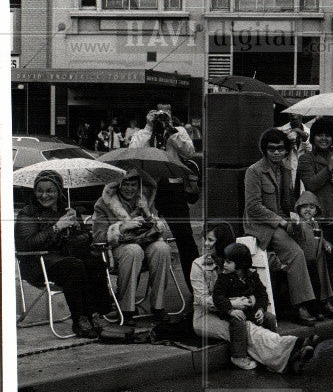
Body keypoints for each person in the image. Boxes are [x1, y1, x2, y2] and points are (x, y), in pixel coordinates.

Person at [190, 222, 313, 374]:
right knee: (248, 330)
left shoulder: (236, 261)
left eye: (210, 240)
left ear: (221, 243)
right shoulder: (199, 265)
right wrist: (233, 303)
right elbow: (202, 300)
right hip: (207, 316)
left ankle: (284, 357)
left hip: (236, 312)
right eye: (205, 239)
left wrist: (252, 301)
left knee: (263, 320)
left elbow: (255, 288)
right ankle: (289, 345)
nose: (206, 244)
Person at [14, 170, 112, 338]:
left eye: (50, 190)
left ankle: (98, 313)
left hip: (65, 258)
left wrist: (77, 225)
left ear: (59, 191)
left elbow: (84, 240)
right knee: (74, 266)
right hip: (38, 263)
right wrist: (57, 227)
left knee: (93, 263)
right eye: (40, 190)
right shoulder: (28, 213)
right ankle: (80, 319)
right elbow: (26, 244)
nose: (44, 195)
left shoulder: (66, 210)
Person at [243, 128, 320, 324]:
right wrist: (282, 222)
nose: (276, 152)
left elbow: (287, 203)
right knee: (295, 252)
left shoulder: (285, 171)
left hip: (282, 221)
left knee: (311, 243)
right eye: (271, 149)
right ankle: (299, 307)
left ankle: (317, 300)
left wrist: (296, 219)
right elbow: (253, 208)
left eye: (280, 149)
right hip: (262, 226)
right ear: (265, 150)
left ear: (286, 150)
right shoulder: (254, 171)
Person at [91, 168, 173, 325]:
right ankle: (126, 309)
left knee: (162, 248)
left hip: (145, 244)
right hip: (117, 250)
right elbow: (97, 237)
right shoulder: (103, 204)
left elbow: (163, 232)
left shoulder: (145, 200)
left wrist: (148, 213)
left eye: (133, 184)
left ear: (139, 185)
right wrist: (121, 227)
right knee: (132, 250)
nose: (129, 189)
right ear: (118, 186)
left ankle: (158, 306)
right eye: (125, 184)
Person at [131, 108, 199, 289]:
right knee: (138, 236)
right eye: (157, 113)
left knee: (185, 239)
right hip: (148, 186)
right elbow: (134, 153)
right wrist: (148, 127)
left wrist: (170, 130)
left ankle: (196, 291)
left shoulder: (179, 131)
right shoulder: (142, 133)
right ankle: (128, 298)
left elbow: (189, 152)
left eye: (165, 112)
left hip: (173, 187)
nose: (161, 116)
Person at [295, 116, 333, 295]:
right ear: (313, 137)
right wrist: (329, 169)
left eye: (328, 135)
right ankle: (322, 301)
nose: (324, 138)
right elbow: (311, 184)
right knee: (320, 263)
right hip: (318, 217)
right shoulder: (306, 159)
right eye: (319, 135)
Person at [290, 191, 333, 318]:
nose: (308, 210)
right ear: (298, 209)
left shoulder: (315, 224)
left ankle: (321, 307)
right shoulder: (300, 224)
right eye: (304, 207)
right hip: (305, 262)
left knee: (319, 285)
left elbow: (319, 237)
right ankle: (313, 310)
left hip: (317, 260)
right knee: (309, 286)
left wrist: (325, 243)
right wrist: (295, 224)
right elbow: (293, 232)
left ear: (316, 210)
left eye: (312, 207)